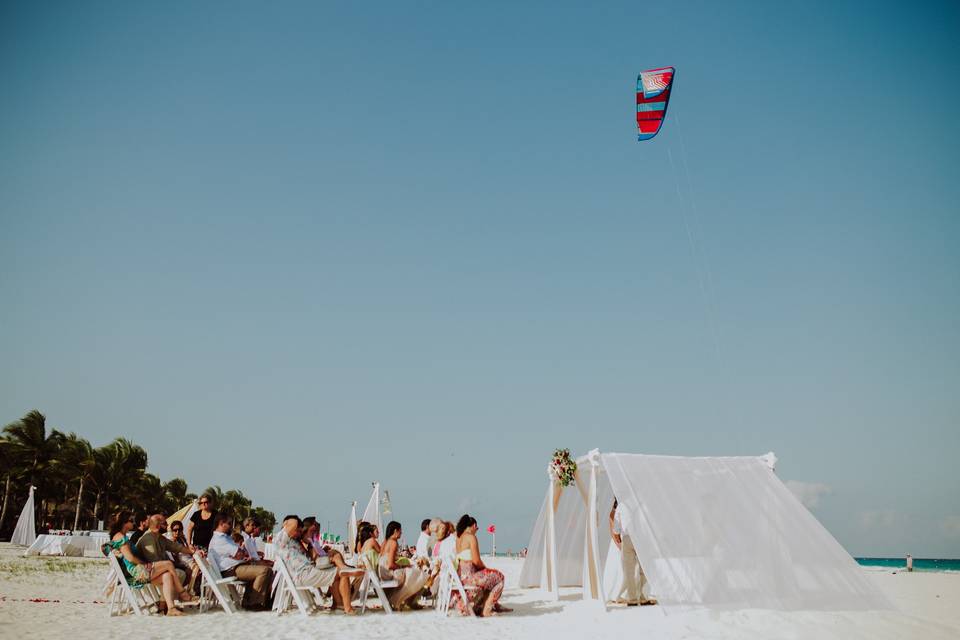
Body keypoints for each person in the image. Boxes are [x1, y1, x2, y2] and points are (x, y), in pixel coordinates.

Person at [107, 511, 196, 616]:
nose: (133, 523)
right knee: (168, 564)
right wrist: (144, 564)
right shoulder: (120, 537)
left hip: (140, 571)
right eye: (131, 521)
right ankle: (182, 593)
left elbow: (176, 547)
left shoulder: (123, 536)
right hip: (136, 573)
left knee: (167, 575)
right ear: (124, 523)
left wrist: (192, 550)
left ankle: (170, 608)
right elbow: (130, 558)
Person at [274, 514, 363, 614]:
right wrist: (290, 522)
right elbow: (293, 523)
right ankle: (348, 608)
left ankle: (339, 605)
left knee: (337, 570)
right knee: (342, 572)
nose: (298, 533)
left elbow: (308, 555)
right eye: (297, 530)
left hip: (307, 572)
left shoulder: (291, 542)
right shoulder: (282, 538)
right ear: (286, 525)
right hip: (304, 575)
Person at [208, 514, 273, 609]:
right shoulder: (219, 539)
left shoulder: (225, 537)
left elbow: (241, 553)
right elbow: (240, 553)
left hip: (235, 567)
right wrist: (240, 553)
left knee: (263, 569)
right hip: (230, 570)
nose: (231, 526)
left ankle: (249, 602)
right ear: (222, 524)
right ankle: (254, 604)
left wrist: (240, 553)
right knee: (265, 570)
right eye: (229, 523)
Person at [451, 515, 510, 617]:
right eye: (477, 528)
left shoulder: (458, 539)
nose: (476, 531)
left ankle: (489, 605)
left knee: (490, 577)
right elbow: (476, 561)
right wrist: (485, 568)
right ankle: (487, 609)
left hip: (461, 577)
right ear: (474, 526)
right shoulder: (471, 537)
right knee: (499, 577)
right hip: (470, 577)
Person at [609, 498, 655, 606]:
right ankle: (642, 595)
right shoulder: (642, 503)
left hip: (627, 538)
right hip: (642, 538)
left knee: (629, 570)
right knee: (643, 567)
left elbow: (616, 527)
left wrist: (617, 535)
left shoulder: (621, 505)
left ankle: (633, 598)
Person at [135, 514, 197, 586]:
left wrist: (193, 551)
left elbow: (177, 547)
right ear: (157, 526)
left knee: (182, 572)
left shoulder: (160, 537)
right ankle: (179, 594)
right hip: (146, 572)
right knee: (179, 573)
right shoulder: (148, 539)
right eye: (164, 523)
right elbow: (154, 560)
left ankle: (178, 594)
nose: (167, 525)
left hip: (157, 569)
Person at [379, 521, 428, 610]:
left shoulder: (385, 542)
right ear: (395, 531)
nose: (401, 532)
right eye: (400, 530)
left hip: (383, 573)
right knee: (419, 574)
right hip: (389, 573)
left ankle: (408, 601)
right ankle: (408, 601)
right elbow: (390, 565)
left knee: (413, 572)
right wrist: (403, 567)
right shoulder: (393, 543)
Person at [166, 519, 201, 591]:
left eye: (180, 529)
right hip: (183, 563)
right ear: (172, 531)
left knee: (202, 568)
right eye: (175, 530)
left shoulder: (182, 539)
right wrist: (184, 567)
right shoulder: (171, 542)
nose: (177, 532)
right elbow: (174, 559)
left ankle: (194, 589)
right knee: (197, 569)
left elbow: (189, 550)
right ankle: (190, 590)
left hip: (190, 560)